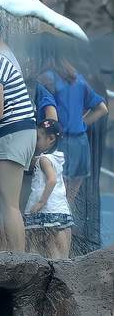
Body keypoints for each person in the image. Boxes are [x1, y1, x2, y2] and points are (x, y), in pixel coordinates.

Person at [35, 35, 108, 203]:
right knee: (69, 201)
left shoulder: (45, 79)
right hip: (81, 145)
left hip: (60, 145)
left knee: (55, 201)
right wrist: (80, 123)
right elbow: (102, 109)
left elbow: (49, 116)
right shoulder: (77, 78)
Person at [0, 36, 37, 252]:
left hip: (14, 131)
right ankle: (0, 252)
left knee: (9, 202)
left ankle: (20, 261)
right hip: (13, 133)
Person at [24, 119, 73, 259]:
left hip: (46, 212)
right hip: (61, 210)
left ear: (51, 139)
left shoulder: (44, 159)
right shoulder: (57, 159)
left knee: (37, 250)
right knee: (61, 256)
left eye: (38, 138)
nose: (35, 142)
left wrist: (41, 202)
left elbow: (52, 180)